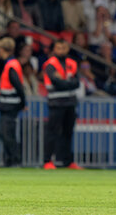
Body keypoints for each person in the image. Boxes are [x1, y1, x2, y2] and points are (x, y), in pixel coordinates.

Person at [42, 40, 82, 170]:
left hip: (70, 102)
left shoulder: (72, 63)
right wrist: (67, 82)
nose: (61, 50)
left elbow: (77, 83)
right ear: (54, 50)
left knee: (68, 132)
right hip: (56, 102)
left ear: (68, 49)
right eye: (58, 48)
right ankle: (47, 160)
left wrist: (64, 81)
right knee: (52, 132)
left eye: (63, 48)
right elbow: (56, 82)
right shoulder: (50, 65)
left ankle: (67, 161)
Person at [0, 37, 25, 167]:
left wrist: (23, 103)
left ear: (2, 49)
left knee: (7, 133)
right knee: (6, 133)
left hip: (10, 104)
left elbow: (18, 86)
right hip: (8, 103)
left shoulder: (11, 65)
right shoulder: (12, 63)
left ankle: (14, 160)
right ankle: (10, 160)